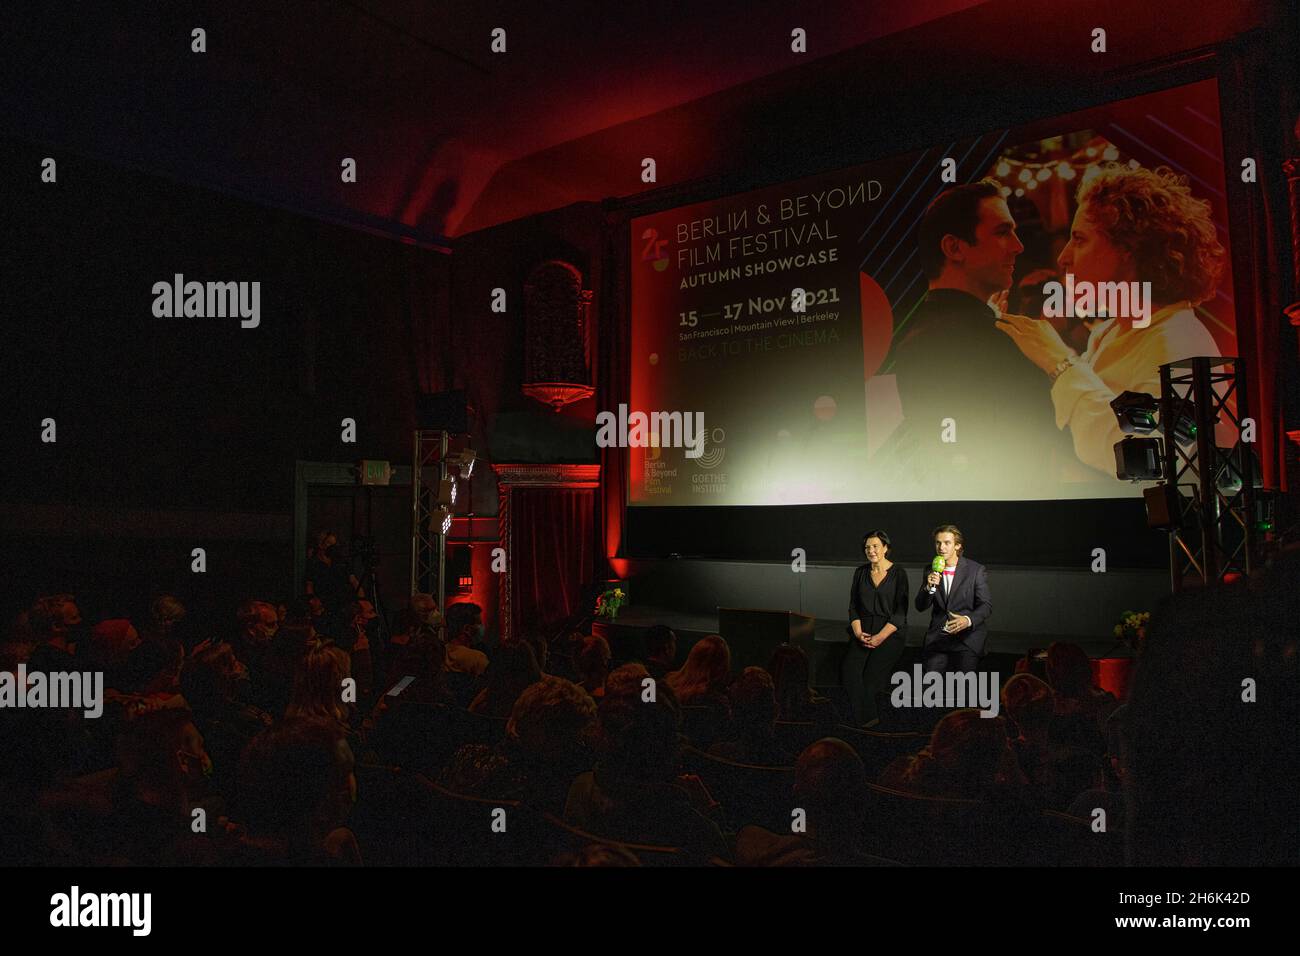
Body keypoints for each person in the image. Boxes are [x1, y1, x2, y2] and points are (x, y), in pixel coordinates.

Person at [995, 164, 1227, 476]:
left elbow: (1149, 462)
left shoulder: (1179, 339)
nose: (1064, 257)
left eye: (1079, 239)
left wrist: (1061, 361)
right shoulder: (1109, 331)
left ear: (1129, 248)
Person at [886, 178, 1067, 497]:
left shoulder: (918, 336)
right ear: (954, 248)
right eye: (1002, 232)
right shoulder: (992, 340)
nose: (1018, 245)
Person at [842, 530, 909, 726]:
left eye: (875, 546)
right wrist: (857, 632)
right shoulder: (860, 572)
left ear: (886, 548)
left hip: (889, 632)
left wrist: (880, 637)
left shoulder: (899, 573)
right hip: (863, 631)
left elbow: (900, 613)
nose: (871, 550)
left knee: (871, 680)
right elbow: (853, 606)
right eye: (867, 547)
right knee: (850, 672)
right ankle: (861, 721)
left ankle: (870, 724)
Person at [915, 524, 990, 676]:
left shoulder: (975, 570)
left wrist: (967, 620)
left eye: (947, 543)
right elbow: (920, 606)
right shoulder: (930, 569)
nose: (941, 547)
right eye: (938, 543)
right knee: (930, 686)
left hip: (967, 639)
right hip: (939, 638)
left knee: (964, 687)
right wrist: (929, 587)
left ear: (957, 545)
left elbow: (986, 605)